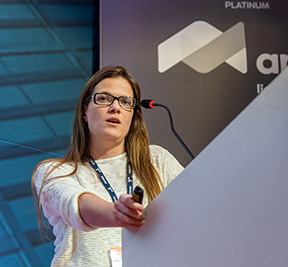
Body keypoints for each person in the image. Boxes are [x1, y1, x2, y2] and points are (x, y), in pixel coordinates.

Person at [32, 66, 184, 266]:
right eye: (104, 99)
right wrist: (117, 213)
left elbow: (197, 208)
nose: (115, 107)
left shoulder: (157, 160)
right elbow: (77, 205)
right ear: (85, 112)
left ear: (132, 116)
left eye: (125, 102)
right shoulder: (54, 171)